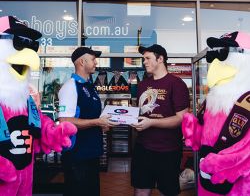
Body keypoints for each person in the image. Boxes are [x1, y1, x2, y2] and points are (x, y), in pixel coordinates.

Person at [131, 44, 190, 196]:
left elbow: (181, 118)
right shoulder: (142, 85)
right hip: (143, 148)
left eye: (148, 58)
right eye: (143, 59)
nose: (144, 62)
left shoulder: (176, 84)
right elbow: (140, 112)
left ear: (160, 59)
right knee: (141, 190)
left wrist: (151, 122)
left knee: (168, 191)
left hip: (168, 151)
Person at [58, 46, 117, 196]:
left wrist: (103, 124)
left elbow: (92, 116)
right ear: (82, 62)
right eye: (92, 59)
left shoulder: (90, 87)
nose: (96, 62)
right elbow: (65, 121)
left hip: (91, 153)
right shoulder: (70, 87)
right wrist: (97, 122)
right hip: (77, 155)